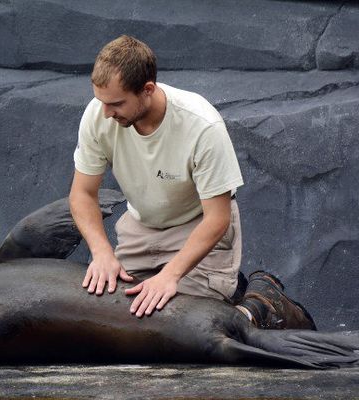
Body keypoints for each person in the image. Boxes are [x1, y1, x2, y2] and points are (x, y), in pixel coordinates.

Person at [69, 35, 315, 330]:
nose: (106, 112)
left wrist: (170, 275)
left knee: (181, 322)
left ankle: (261, 303)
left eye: (116, 103)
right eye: (101, 101)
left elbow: (217, 218)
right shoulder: (100, 114)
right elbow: (82, 194)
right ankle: (228, 286)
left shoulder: (201, 126)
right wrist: (102, 253)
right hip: (141, 228)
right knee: (118, 310)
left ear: (147, 89)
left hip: (197, 226)